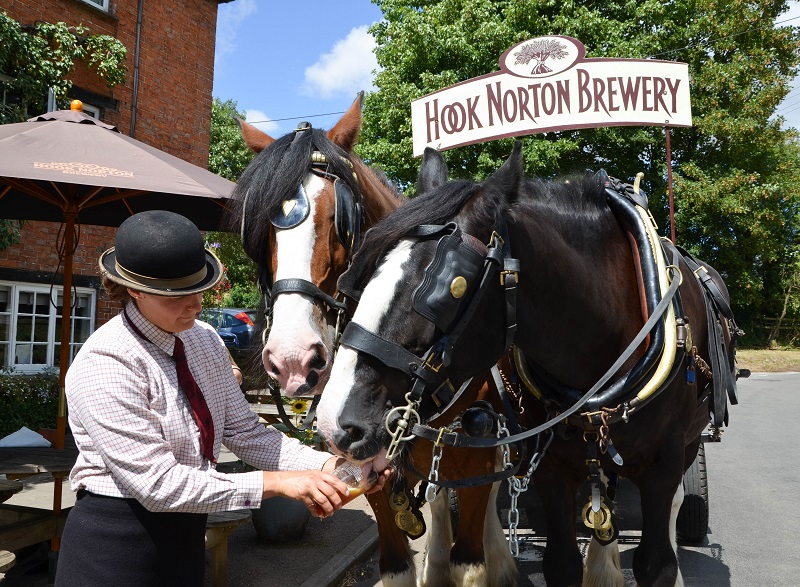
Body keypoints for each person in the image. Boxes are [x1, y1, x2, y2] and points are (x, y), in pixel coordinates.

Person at [55, 210, 389, 586]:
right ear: (134, 289)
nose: (196, 304)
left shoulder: (205, 340)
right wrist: (278, 483)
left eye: (199, 287)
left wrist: (326, 466)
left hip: (186, 538)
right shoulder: (106, 361)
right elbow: (157, 485)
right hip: (116, 547)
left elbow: (246, 432)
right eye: (177, 295)